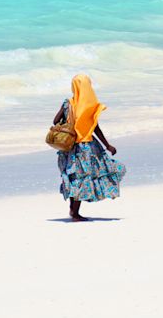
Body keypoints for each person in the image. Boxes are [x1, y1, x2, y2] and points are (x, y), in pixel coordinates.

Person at [53, 74, 126, 221]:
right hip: (86, 148)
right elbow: (95, 128)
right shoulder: (90, 106)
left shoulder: (68, 103)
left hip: (70, 147)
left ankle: (73, 210)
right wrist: (107, 145)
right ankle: (74, 213)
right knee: (83, 177)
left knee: (75, 177)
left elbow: (55, 121)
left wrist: (68, 120)